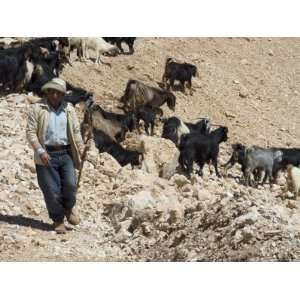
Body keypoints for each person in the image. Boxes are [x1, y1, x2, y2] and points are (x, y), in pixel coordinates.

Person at [26, 78, 85, 234]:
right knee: (51, 190)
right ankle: (58, 219)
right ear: (47, 92)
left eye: (58, 93)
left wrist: (81, 147)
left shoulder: (69, 110)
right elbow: (31, 132)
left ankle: (68, 208)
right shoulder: (38, 108)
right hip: (46, 153)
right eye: (52, 91)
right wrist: (40, 151)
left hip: (66, 153)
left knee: (71, 185)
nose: (54, 95)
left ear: (63, 95)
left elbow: (76, 132)